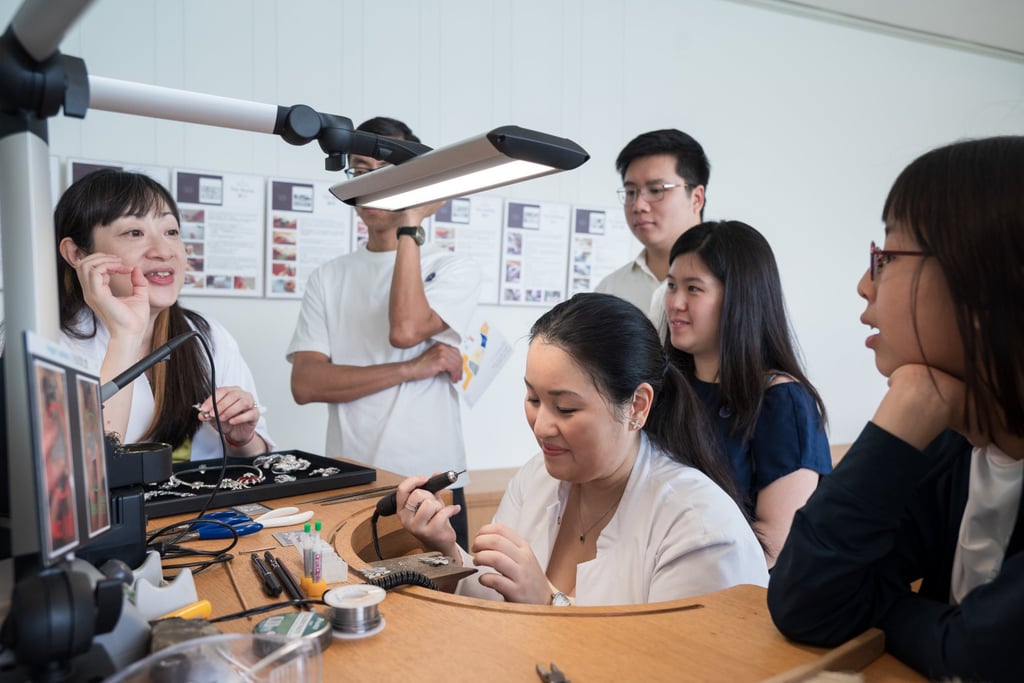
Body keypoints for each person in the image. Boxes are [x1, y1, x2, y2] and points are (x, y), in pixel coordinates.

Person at [767, 136, 1024, 682]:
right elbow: (806, 603)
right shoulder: (951, 442)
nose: (864, 285)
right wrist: (901, 416)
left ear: (983, 283)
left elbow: (978, 657)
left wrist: (881, 605)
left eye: (885, 258)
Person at [395, 293, 768, 606]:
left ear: (637, 406)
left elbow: (664, 666)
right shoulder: (536, 478)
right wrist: (445, 549)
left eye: (566, 408)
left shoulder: (699, 528)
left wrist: (547, 602)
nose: (541, 427)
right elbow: (492, 595)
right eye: (533, 398)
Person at [287, 116, 482, 548]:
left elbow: (405, 328)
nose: (370, 184)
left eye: (387, 173)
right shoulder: (329, 277)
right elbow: (306, 383)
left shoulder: (453, 267)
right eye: (359, 170)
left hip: (432, 481)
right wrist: (411, 370)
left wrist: (410, 220)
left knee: (439, 608)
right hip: (351, 480)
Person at [52, 169, 273, 462]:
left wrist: (241, 436)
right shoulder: (50, 342)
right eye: (134, 233)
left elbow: (261, 459)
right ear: (77, 254)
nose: (163, 251)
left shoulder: (206, 334)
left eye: (171, 232)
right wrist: (125, 336)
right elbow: (83, 471)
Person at [664, 221, 831, 567]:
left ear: (740, 298)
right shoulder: (665, 389)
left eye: (694, 289)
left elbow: (775, 544)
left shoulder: (783, 402)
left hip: (738, 594)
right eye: (671, 286)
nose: (675, 303)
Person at [595, 129, 709, 324]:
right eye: (631, 192)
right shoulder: (610, 290)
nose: (638, 205)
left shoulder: (731, 279)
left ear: (696, 198)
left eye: (656, 190)